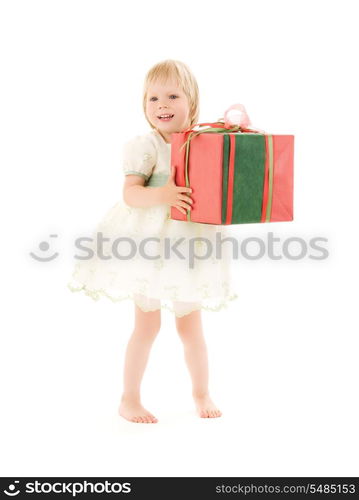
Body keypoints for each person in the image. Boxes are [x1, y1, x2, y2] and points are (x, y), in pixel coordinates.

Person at [67, 59, 238, 423]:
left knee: (190, 327)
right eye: (153, 98)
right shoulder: (145, 146)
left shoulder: (202, 142)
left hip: (189, 244)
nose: (161, 105)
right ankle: (129, 399)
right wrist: (164, 195)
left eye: (173, 96)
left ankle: (201, 392)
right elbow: (131, 195)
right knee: (147, 325)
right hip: (150, 246)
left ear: (191, 103)